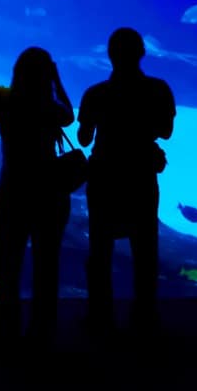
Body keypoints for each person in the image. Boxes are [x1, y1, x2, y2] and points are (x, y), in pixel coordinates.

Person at [78, 28, 176, 341]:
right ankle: (145, 316)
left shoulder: (95, 93)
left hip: (105, 174)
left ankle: (99, 315)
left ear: (109, 55)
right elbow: (165, 131)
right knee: (145, 247)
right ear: (141, 53)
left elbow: (83, 138)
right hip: (140, 174)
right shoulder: (159, 89)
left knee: (100, 248)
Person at [0, 48, 75, 353]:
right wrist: (55, 80)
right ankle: (41, 337)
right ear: (47, 74)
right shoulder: (50, 107)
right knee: (47, 266)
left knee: (8, 266)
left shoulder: (0, 99)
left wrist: (0, 96)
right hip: (49, 191)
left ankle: (5, 337)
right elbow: (69, 113)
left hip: (13, 190)